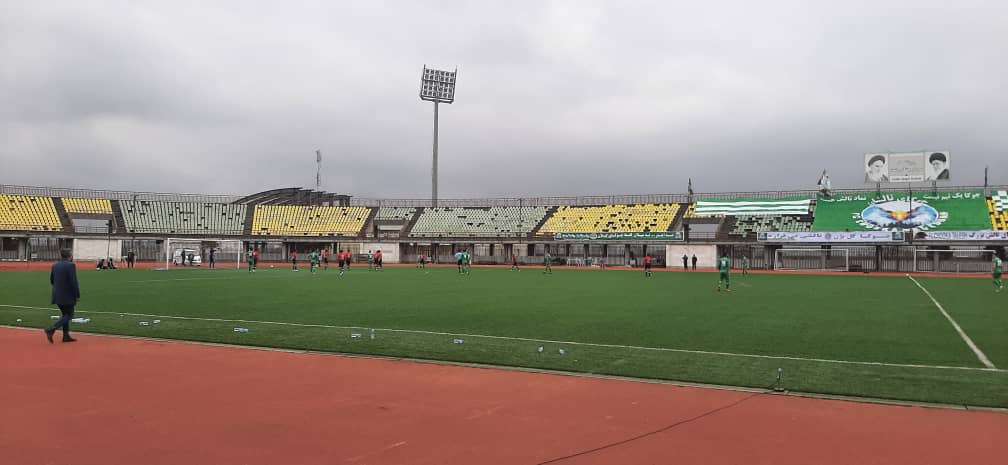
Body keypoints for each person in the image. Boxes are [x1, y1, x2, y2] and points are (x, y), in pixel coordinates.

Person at [45, 249, 80, 343]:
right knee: (70, 315)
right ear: (70, 255)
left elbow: (52, 280)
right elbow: (73, 282)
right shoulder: (71, 265)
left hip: (57, 294)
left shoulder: (55, 265)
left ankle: (65, 336)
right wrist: (77, 295)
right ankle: (52, 328)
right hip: (67, 295)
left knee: (65, 315)